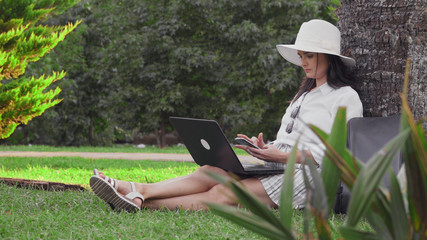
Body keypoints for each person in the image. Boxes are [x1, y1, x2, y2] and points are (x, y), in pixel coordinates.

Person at [89, 19, 363, 212]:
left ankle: (138, 200)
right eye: (301, 55)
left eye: (310, 56)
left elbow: (337, 157)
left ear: (330, 58)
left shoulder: (346, 97)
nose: (303, 62)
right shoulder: (303, 95)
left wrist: (279, 156)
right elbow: (287, 141)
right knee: (211, 171)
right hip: (279, 162)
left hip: (310, 176)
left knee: (223, 193)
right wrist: (264, 148)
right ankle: (136, 189)